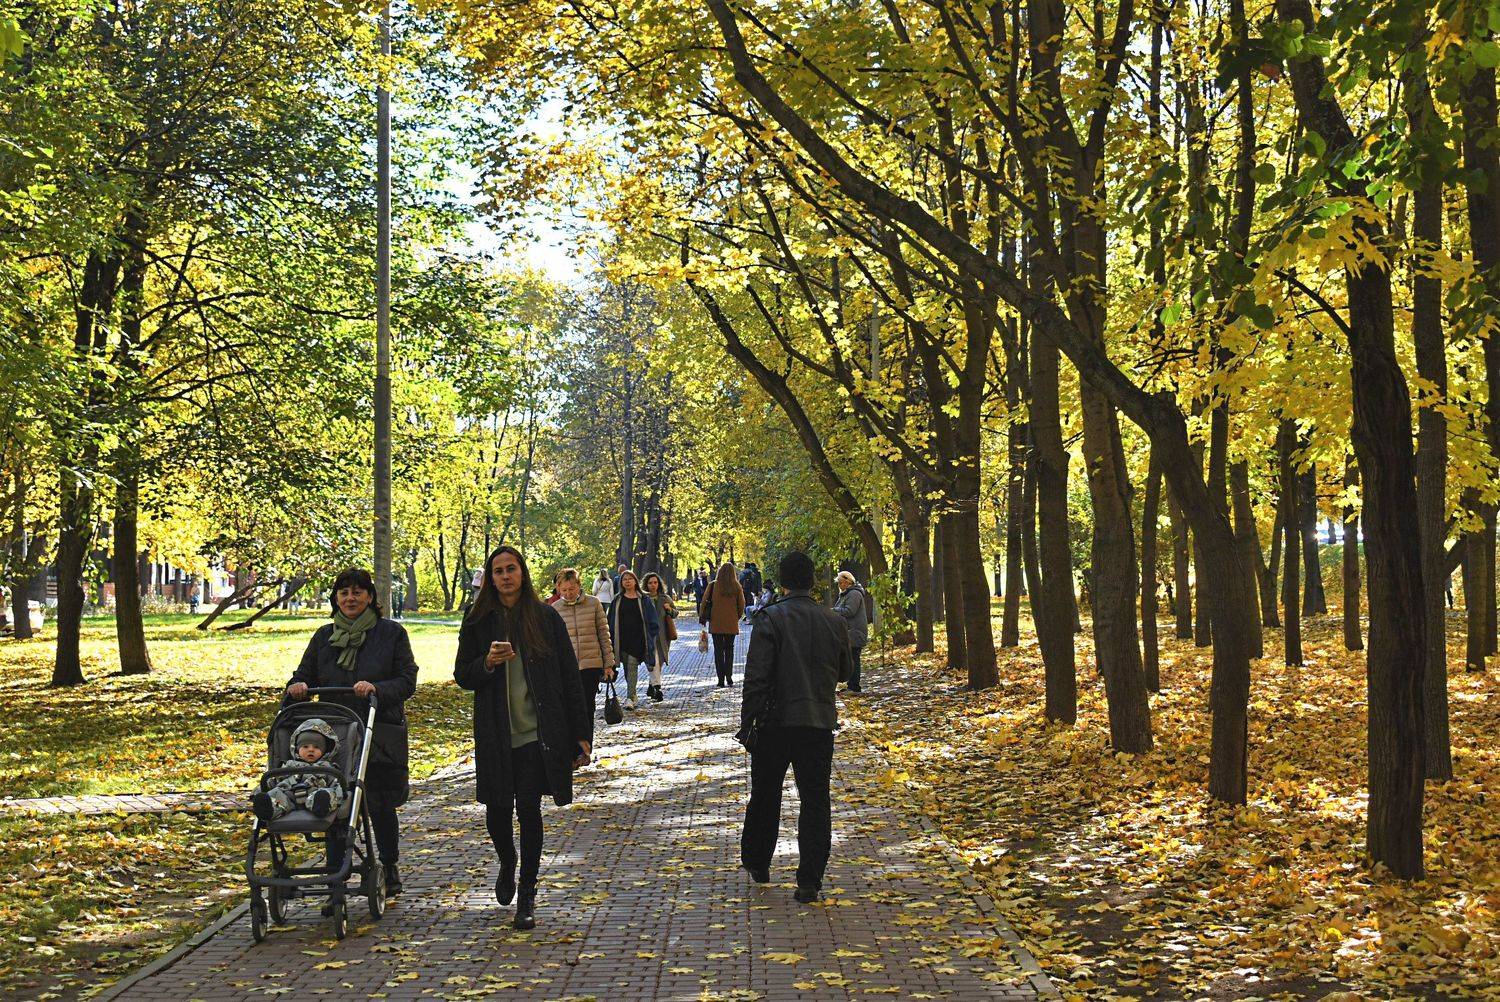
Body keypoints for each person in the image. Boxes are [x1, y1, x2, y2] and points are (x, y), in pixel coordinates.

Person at [455, 545, 591, 930]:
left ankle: (528, 893)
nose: (505, 576)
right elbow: (463, 674)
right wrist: (486, 663)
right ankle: (507, 860)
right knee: (497, 810)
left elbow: (570, 678)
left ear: (522, 573)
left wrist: (582, 735)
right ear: (491, 577)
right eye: (498, 571)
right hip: (496, 733)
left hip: (537, 733)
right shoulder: (478, 618)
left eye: (510, 569)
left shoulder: (545, 617)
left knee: (529, 808)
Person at [285, 568, 418, 896]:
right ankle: (335, 877)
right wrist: (298, 686)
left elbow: (407, 679)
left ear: (370, 597)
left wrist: (377, 688)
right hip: (336, 734)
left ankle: (389, 864)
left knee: (380, 802)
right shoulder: (324, 636)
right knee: (335, 802)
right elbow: (303, 673)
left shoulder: (392, 634)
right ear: (336, 598)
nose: (350, 598)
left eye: (357, 592)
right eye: (344, 592)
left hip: (379, 729)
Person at [738, 551, 853, 904]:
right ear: (812, 580)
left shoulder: (769, 618)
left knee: (766, 794)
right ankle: (809, 880)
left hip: (774, 723)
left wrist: (747, 722)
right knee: (815, 800)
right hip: (817, 722)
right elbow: (845, 672)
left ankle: (758, 862)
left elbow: (756, 677)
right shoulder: (833, 620)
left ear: (783, 582)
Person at [553, 567, 616, 721]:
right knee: (570, 708)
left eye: (571, 589)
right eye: (564, 590)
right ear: (558, 589)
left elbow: (603, 634)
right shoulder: (555, 608)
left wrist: (608, 664)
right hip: (567, 667)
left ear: (579, 585)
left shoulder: (593, 603)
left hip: (591, 665)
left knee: (587, 706)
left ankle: (587, 736)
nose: (568, 593)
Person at [251, 718, 344, 822]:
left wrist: (337, 792)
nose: (311, 750)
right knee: (276, 795)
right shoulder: (289, 765)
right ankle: (268, 809)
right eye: (305, 746)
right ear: (297, 749)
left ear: (324, 751)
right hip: (288, 795)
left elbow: (336, 785)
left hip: (314, 796)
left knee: (327, 794)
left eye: (316, 747)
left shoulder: (327, 767)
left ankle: (322, 805)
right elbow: (274, 780)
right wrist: (259, 791)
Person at [608, 569, 660, 709]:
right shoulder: (617, 600)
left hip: (639, 639)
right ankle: (633, 693)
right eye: (625, 579)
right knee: (627, 667)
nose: (627, 581)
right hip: (622, 640)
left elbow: (653, 620)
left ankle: (630, 697)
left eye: (630, 579)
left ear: (635, 581)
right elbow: (610, 619)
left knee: (632, 664)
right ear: (621, 583)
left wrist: (651, 636)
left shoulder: (644, 599)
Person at [699, 562, 745, 687]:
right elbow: (741, 605)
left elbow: (704, 602)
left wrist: (702, 616)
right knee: (729, 650)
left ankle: (720, 679)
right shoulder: (737, 586)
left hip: (716, 623)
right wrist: (736, 617)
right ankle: (729, 677)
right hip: (731, 623)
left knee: (718, 650)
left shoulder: (713, 585)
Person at [641, 572, 676, 703]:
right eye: (650, 583)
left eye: (655, 582)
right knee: (652, 661)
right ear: (646, 584)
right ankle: (657, 688)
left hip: (663, 637)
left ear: (659, 584)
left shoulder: (665, 598)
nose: (653, 585)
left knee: (659, 662)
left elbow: (675, 613)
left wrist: (669, 609)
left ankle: (652, 686)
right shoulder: (643, 599)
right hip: (648, 635)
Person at [834, 571, 870, 694]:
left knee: (854, 659)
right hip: (849, 632)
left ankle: (854, 687)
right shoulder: (846, 594)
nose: (839, 585)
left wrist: (833, 610)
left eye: (840, 582)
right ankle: (851, 685)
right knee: (850, 658)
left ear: (847, 582)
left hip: (855, 632)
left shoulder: (854, 594)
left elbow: (850, 611)